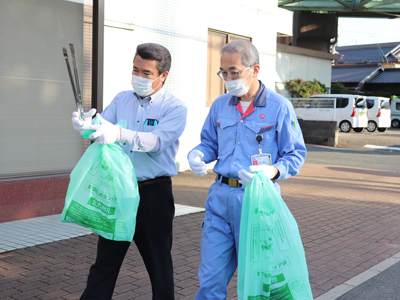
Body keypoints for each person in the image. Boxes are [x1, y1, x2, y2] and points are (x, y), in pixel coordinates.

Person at [188, 40, 306, 299]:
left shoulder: (279, 107)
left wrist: (272, 172)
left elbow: (295, 154)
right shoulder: (220, 105)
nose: (228, 78)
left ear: (255, 70)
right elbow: (209, 142)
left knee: (259, 281)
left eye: (234, 71)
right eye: (223, 72)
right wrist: (197, 154)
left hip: (258, 202)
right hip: (220, 198)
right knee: (209, 280)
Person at [71, 43, 187, 300]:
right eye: (135, 69)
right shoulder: (122, 98)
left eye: (146, 72)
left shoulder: (175, 108)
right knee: (105, 263)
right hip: (120, 192)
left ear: (162, 75)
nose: (138, 76)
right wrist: (87, 125)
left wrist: (119, 133)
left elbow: (156, 143)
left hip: (153, 194)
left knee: (159, 266)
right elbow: (103, 128)